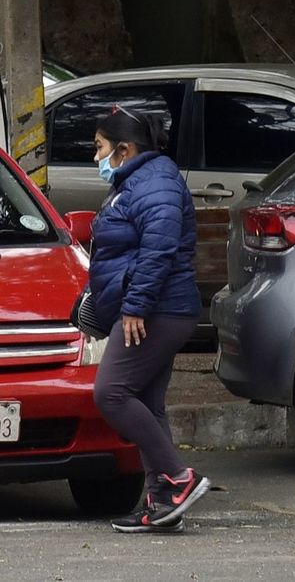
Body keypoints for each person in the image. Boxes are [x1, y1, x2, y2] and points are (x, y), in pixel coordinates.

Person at [89, 105, 209, 533]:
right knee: (149, 404)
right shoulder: (137, 181)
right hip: (155, 308)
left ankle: (178, 477)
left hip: (157, 311)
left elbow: (158, 250)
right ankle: (162, 504)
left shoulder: (155, 182)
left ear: (124, 149)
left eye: (100, 147)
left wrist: (135, 305)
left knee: (111, 393)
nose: (96, 156)